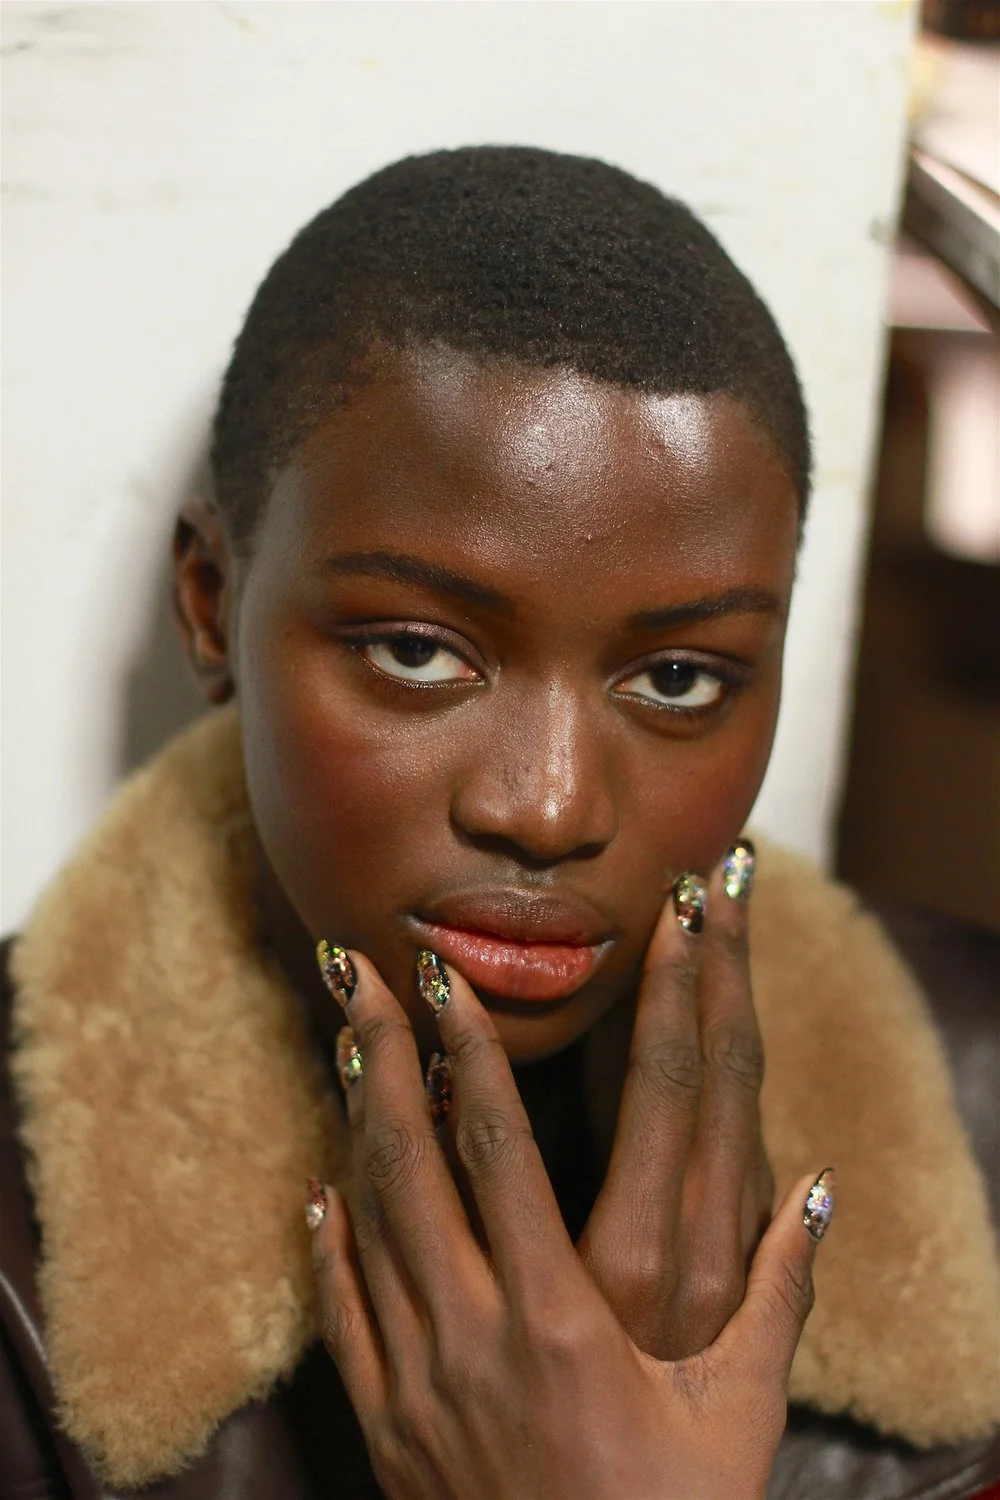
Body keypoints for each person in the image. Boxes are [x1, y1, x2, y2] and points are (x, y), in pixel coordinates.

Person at [1, 147, 997, 1500]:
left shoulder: (983, 1111)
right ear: (208, 599)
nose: (548, 808)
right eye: (419, 652)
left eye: (680, 678)